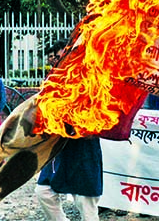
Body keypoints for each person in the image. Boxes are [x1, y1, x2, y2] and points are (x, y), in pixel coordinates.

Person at [35, 40, 104, 221]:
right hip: (59, 148)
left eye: (60, 57)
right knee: (44, 191)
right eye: (55, 58)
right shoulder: (52, 81)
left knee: (85, 202)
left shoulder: (90, 79)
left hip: (83, 150)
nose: (57, 61)